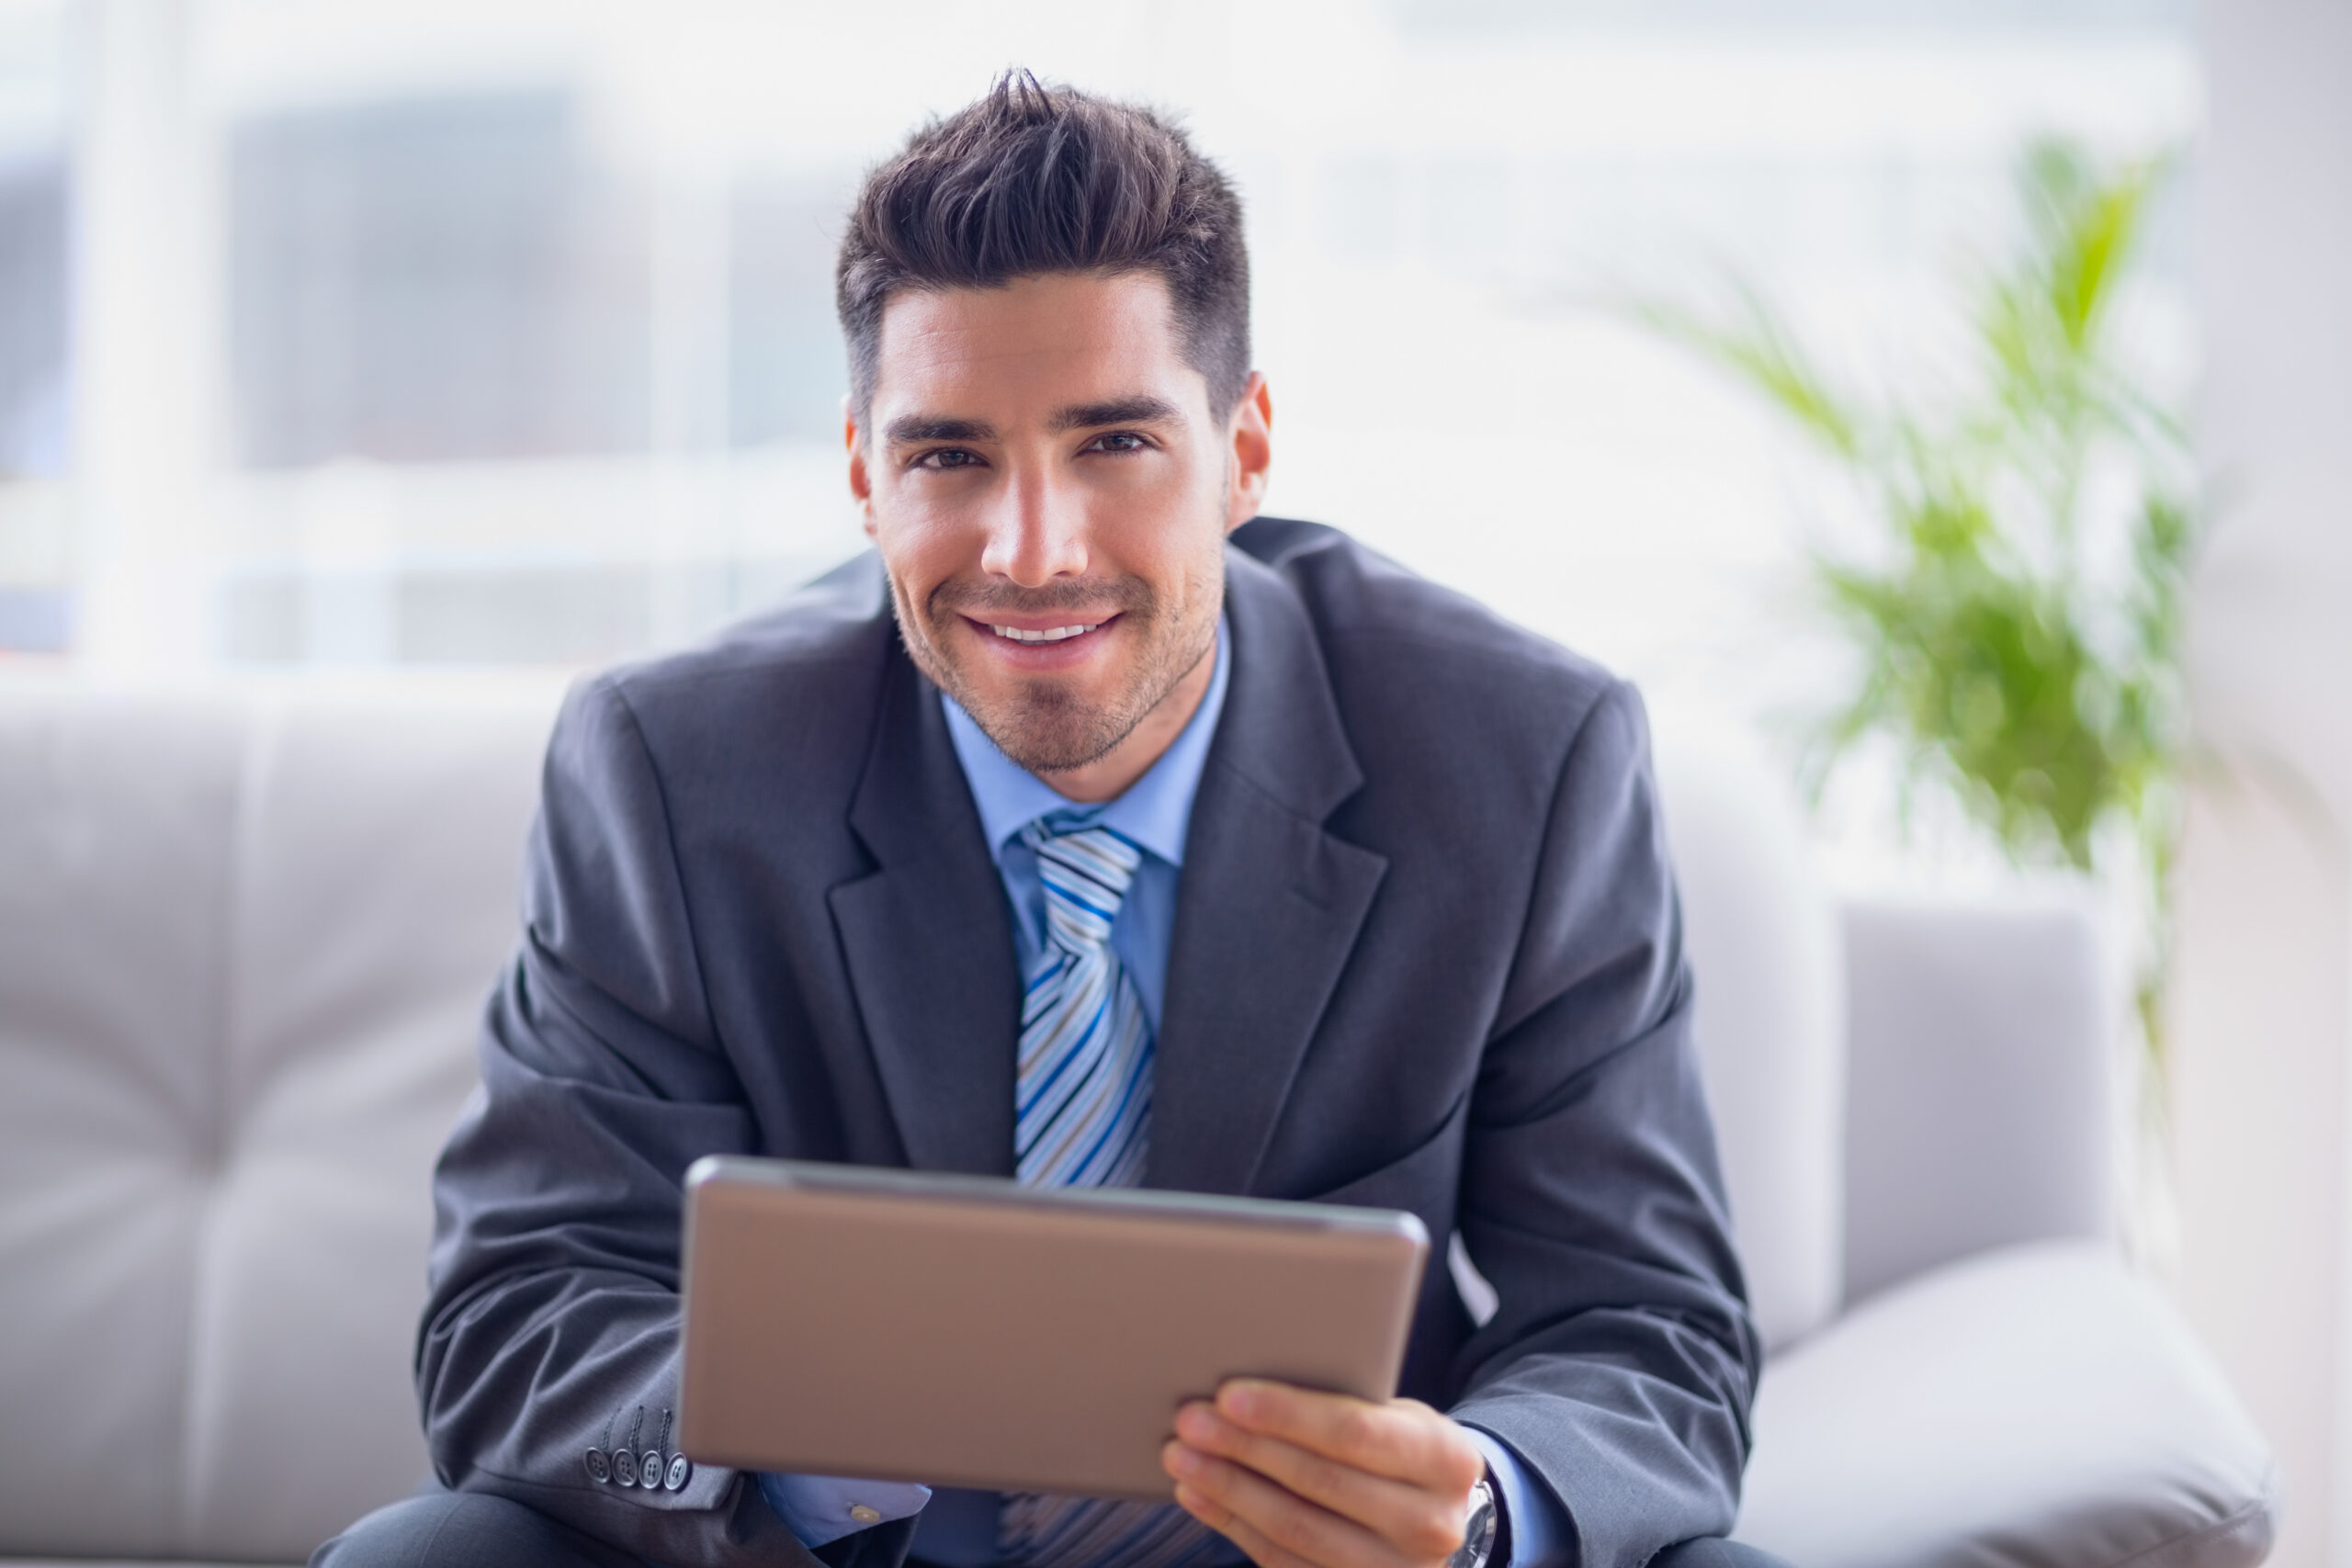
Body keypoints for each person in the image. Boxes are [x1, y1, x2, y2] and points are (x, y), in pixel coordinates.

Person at [315, 73, 1781, 1568]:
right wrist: (806, 1435)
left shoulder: (1521, 762)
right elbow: (516, 1317)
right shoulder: (674, 771)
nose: (1032, 550)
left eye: (1115, 444)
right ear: (861, 474)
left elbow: (1646, 1324)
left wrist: (1475, 1505)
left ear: (1246, 452)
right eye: (948, 456)